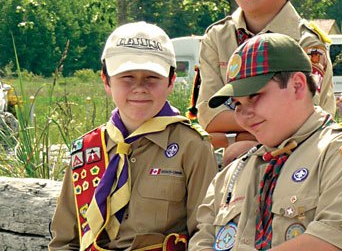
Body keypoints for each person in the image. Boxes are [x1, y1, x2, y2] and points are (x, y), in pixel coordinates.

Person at [188, 33, 342, 250]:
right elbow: (202, 240)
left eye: (255, 96)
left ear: (297, 85)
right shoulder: (234, 173)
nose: (244, 114)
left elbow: (337, 242)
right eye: (237, 104)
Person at [49, 21, 217, 251]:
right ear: (106, 81)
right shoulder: (87, 150)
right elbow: (65, 241)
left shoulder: (192, 146)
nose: (140, 88)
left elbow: (204, 232)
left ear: (171, 82)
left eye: (152, 77)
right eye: (127, 77)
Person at [190, 0, 335, 156]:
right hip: (235, 157)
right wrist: (258, 122)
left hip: (302, 155)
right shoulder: (218, 37)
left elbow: (300, 117)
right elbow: (208, 115)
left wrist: (242, 134)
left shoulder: (306, 44)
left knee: (239, 149)